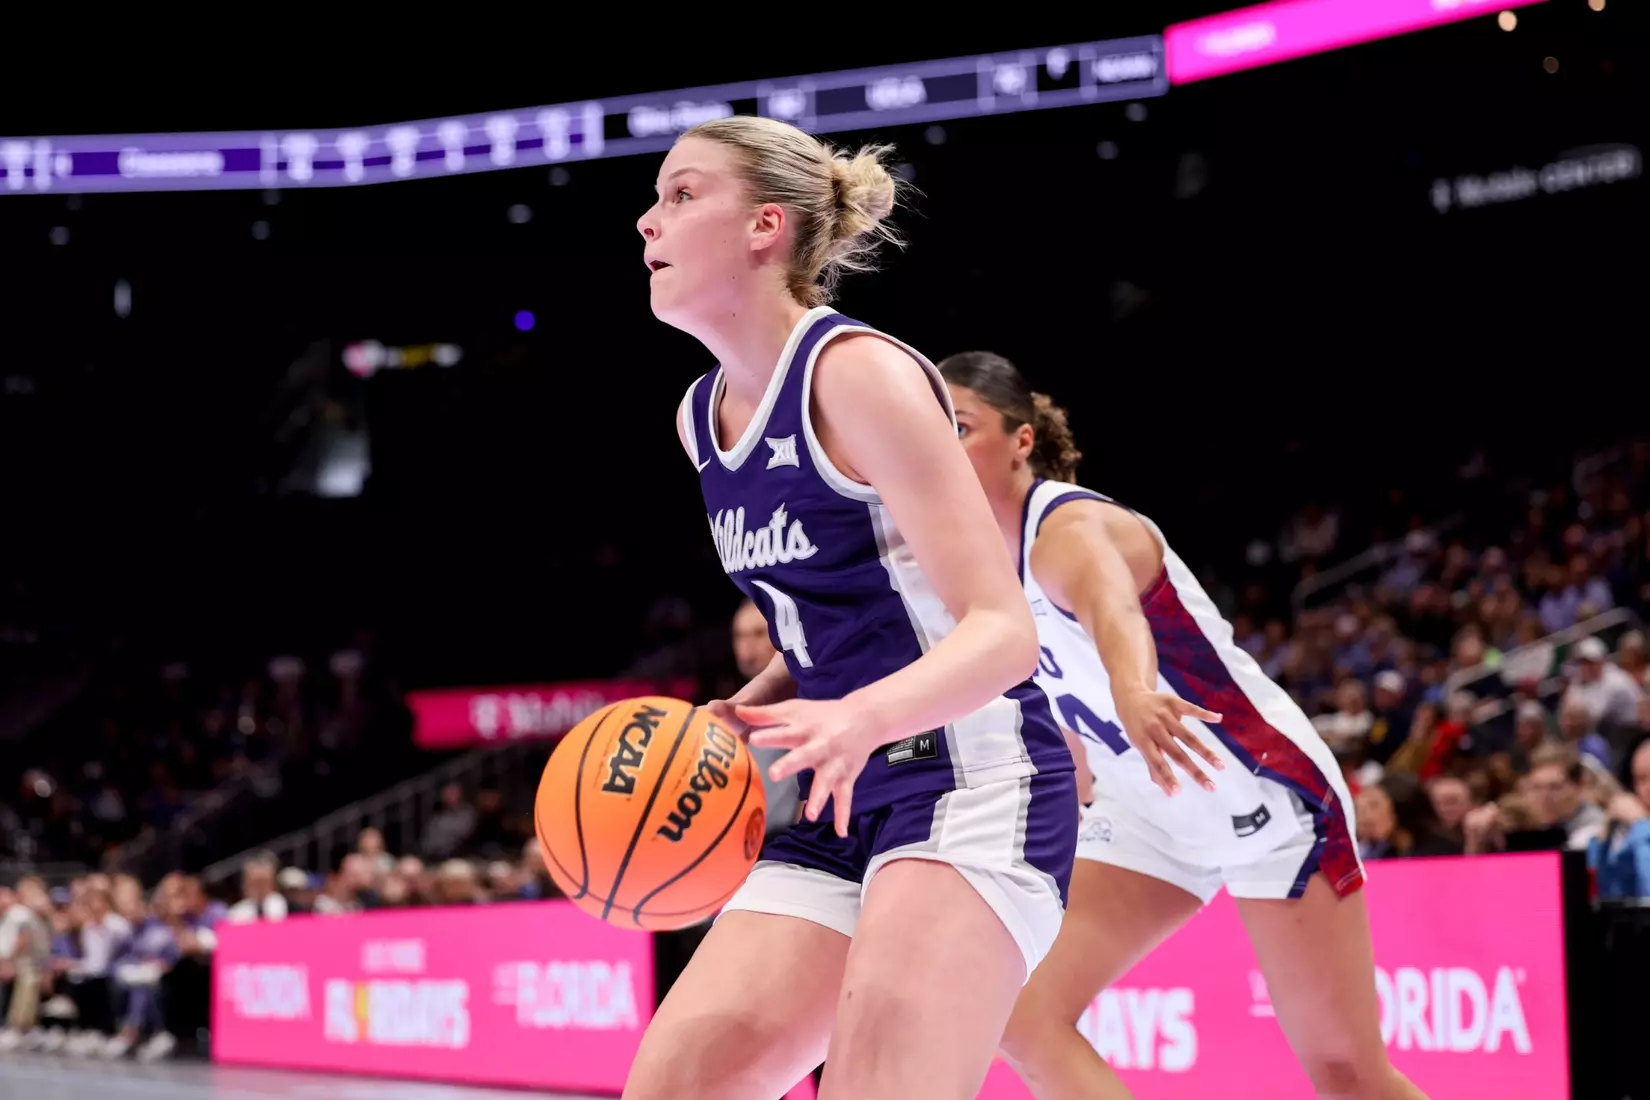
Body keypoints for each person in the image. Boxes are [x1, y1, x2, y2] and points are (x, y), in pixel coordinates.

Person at [625, 117, 1076, 1100]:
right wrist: (752, 702)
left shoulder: (856, 374)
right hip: (834, 792)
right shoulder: (700, 415)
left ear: (764, 227)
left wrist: (859, 715)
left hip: (970, 778)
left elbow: (1003, 631)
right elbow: (830, 616)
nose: (647, 220)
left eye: (682, 194)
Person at [939, 350, 1427, 1100]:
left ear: (1022, 441)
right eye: (932, 426)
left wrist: (1133, 688)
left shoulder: (1069, 529)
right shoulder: (971, 567)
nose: (942, 440)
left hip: (1258, 784)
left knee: (1347, 1074)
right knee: (1022, 1012)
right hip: (1148, 805)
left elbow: (1114, 612)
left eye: (962, 424)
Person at [731, 598, 803, 837]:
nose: (746, 650)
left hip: (800, 842)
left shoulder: (816, 706)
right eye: (739, 636)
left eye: (759, 634)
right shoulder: (732, 716)